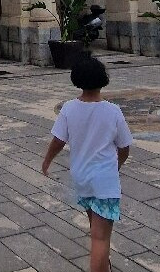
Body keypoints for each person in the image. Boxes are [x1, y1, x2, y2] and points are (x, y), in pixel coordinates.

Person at [42, 56, 132, 272]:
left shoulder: (69, 109)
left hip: (82, 179)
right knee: (100, 240)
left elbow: (58, 141)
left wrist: (46, 162)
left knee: (95, 227)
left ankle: (105, 267)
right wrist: (116, 166)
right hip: (105, 183)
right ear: (103, 79)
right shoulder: (112, 111)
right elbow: (125, 146)